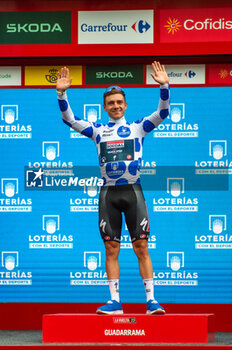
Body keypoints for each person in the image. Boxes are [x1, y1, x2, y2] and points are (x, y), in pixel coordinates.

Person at [56, 61, 170, 315]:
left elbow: (162, 113)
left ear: (125, 105)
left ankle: (151, 302)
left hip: (132, 191)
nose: (115, 106)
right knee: (111, 248)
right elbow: (70, 120)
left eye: (119, 102)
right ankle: (115, 302)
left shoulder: (138, 127)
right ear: (105, 107)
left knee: (141, 247)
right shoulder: (97, 131)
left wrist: (164, 86)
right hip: (108, 193)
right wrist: (62, 94)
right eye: (111, 103)